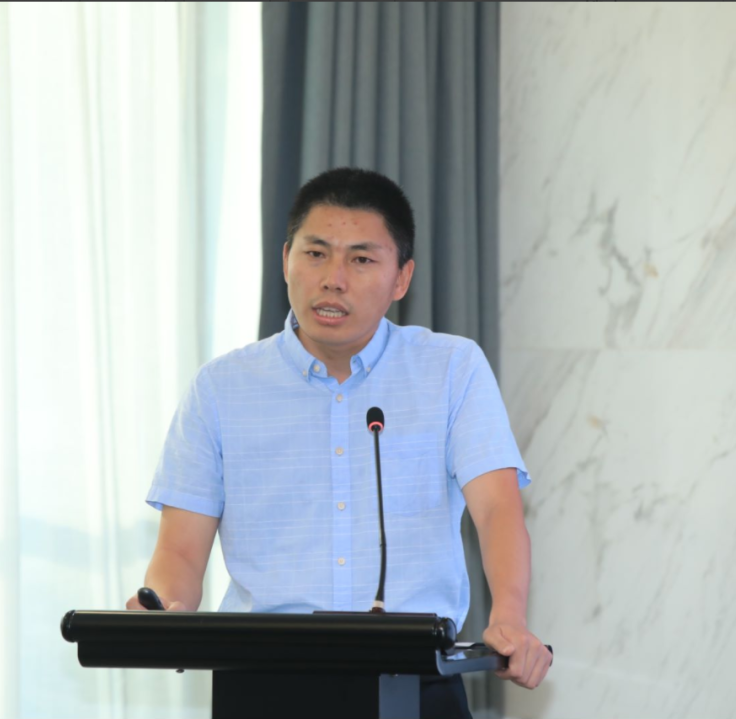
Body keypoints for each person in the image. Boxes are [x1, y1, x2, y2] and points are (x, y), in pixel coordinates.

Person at [125, 168, 551, 716]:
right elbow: (180, 551)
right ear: (286, 260)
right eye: (316, 254)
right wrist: (163, 611)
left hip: (417, 681)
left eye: (362, 259)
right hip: (262, 683)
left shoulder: (451, 369)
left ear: (401, 278)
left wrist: (509, 616)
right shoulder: (221, 388)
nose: (333, 279)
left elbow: (496, 510)